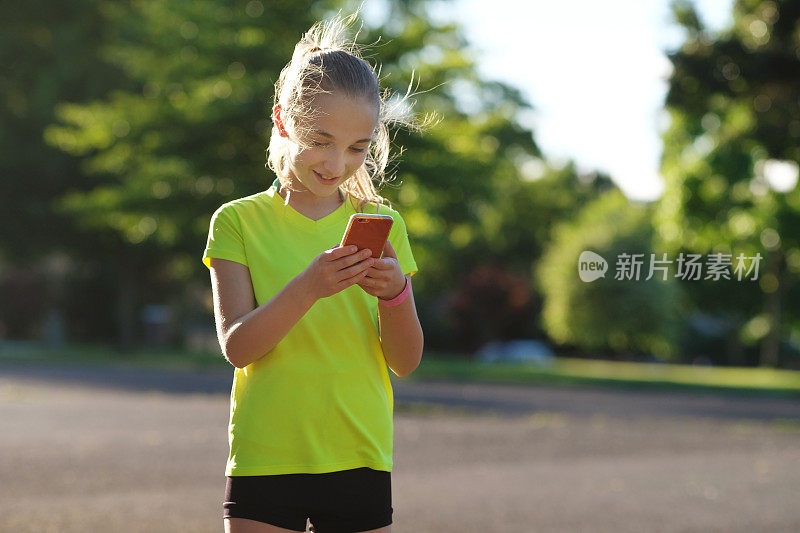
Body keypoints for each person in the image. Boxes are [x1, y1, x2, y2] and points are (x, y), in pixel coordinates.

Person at [202, 12, 425, 533]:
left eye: (356, 147)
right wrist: (307, 288)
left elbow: (406, 361)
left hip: (360, 453)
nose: (337, 163)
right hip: (267, 455)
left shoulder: (384, 225)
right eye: (320, 140)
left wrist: (395, 297)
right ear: (283, 121)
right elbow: (238, 347)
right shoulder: (236, 221)